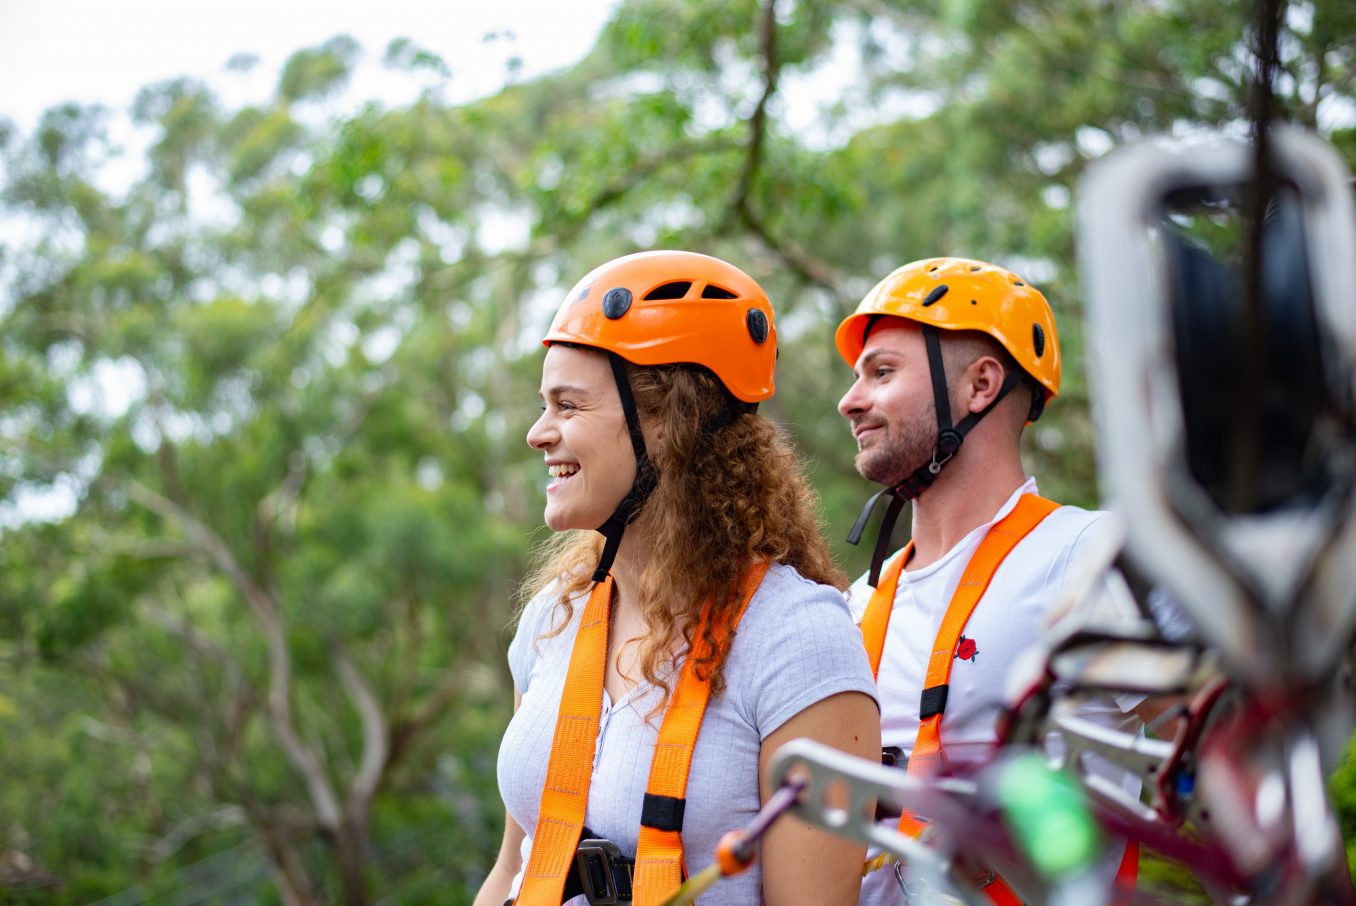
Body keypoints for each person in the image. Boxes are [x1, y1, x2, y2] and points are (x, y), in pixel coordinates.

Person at [475, 250, 880, 906]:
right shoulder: (553, 618)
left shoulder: (797, 639)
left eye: (567, 405)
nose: (537, 433)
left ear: (669, 423)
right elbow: (512, 871)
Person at [834, 257, 1146, 904]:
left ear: (981, 386)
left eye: (882, 372)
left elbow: (1247, 712)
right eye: (856, 377)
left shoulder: (1092, 556)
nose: (850, 399)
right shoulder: (860, 600)